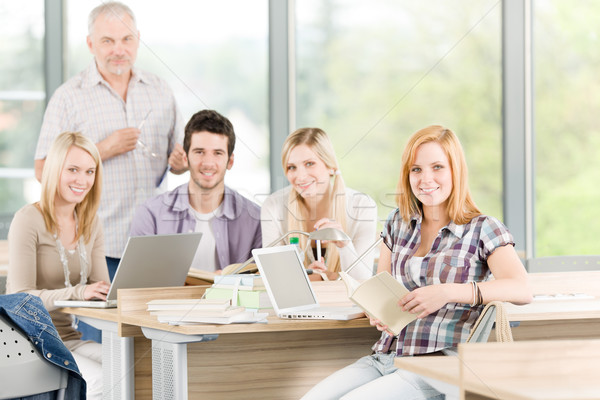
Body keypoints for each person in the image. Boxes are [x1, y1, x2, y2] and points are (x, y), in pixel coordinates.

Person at [300, 125, 533, 400]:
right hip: (388, 356)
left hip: (438, 367)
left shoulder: (483, 228)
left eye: (437, 167)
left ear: (455, 171)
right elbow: (382, 287)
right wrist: (379, 312)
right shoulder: (398, 224)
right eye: (416, 169)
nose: (426, 179)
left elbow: (522, 289)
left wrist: (446, 292)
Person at [34, 1, 187, 280]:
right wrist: (101, 150)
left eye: (127, 39)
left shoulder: (160, 90)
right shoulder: (69, 97)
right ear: (91, 44)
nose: (119, 49)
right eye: (108, 41)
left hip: (153, 244)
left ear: (138, 40)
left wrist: (180, 163)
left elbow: (179, 158)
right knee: (93, 325)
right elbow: (43, 170)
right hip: (95, 247)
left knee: (150, 325)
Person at [7, 131, 110, 400]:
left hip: (69, 338)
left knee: (134, 367)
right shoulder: (28, 219)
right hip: (31, 342)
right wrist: (78, 292)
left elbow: (99, 289)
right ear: (54, 171)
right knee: (100, 381)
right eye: (73, 169)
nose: (82, 180)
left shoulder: (91, 222)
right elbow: (20, 300)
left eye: (90, 171)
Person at [130, 109, 262, 272]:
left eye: (218, 153)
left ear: (230, 161)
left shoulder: (255, 219)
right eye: (199, 152)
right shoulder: (150, 214)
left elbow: (261, 284)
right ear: (185, 158)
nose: (208, 163)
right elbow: (138, 282)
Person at [261, 127, 377, 280]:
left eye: (309, 164)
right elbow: (274, 278)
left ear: (330, 166)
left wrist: (344, 246)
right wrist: (311, 276)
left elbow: (362, 281)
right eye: (292, 167)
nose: (300, 176)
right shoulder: (273, 207)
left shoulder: (363, 206)